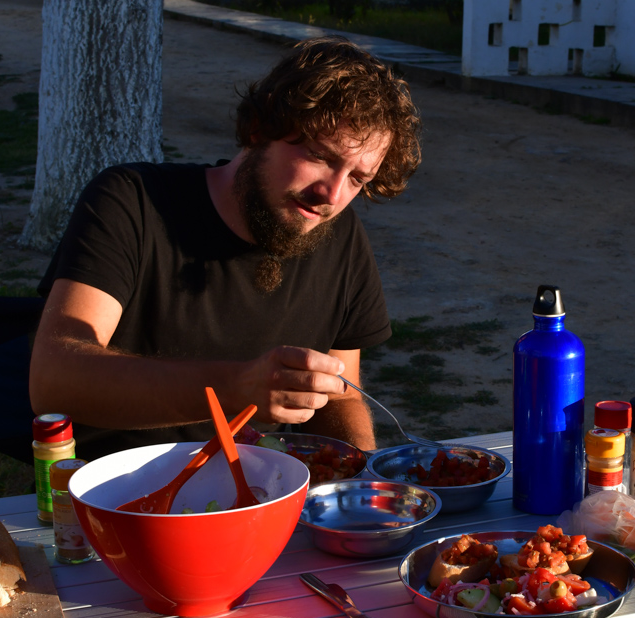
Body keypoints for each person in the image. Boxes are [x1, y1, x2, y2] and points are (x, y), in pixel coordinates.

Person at [29, 36, 421, 460]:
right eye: (320, 157)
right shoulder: (132, 202)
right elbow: (55, 379)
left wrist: (356, 476)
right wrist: (235, 388)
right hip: (121, 495)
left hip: (259, 495)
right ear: (259, 129)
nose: (331, 194)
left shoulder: (340, 236)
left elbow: (340, 398)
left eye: (357, 179)